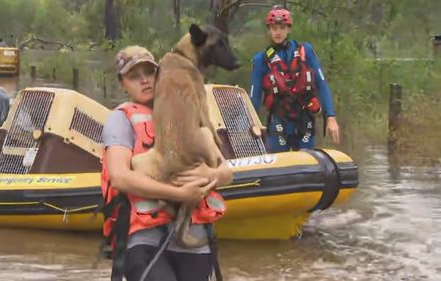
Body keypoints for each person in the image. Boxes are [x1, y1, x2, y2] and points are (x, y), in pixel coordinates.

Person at [100, 45, 232, 281]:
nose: (144, 81)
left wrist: (211, 175)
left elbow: (226, 171)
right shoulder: (121, 120)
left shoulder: (186, 112)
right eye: (134, 76)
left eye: (149, 73)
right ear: (123, 83)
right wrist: (179, 193)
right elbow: (120, 177)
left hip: (194, 236)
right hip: (144, 239)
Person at [250, 6, 340, 152]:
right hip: (278, 120)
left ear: (288, 29)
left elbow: (321, 84)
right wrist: (250, 125)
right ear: (269, 30)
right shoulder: (260, 60)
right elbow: (254, 97)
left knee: (307, 163)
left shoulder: (306, 51)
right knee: (278, 165)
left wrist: (330, 117)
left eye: (282, 27)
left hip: (304, 119)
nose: (278, 32)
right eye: (274, 28)